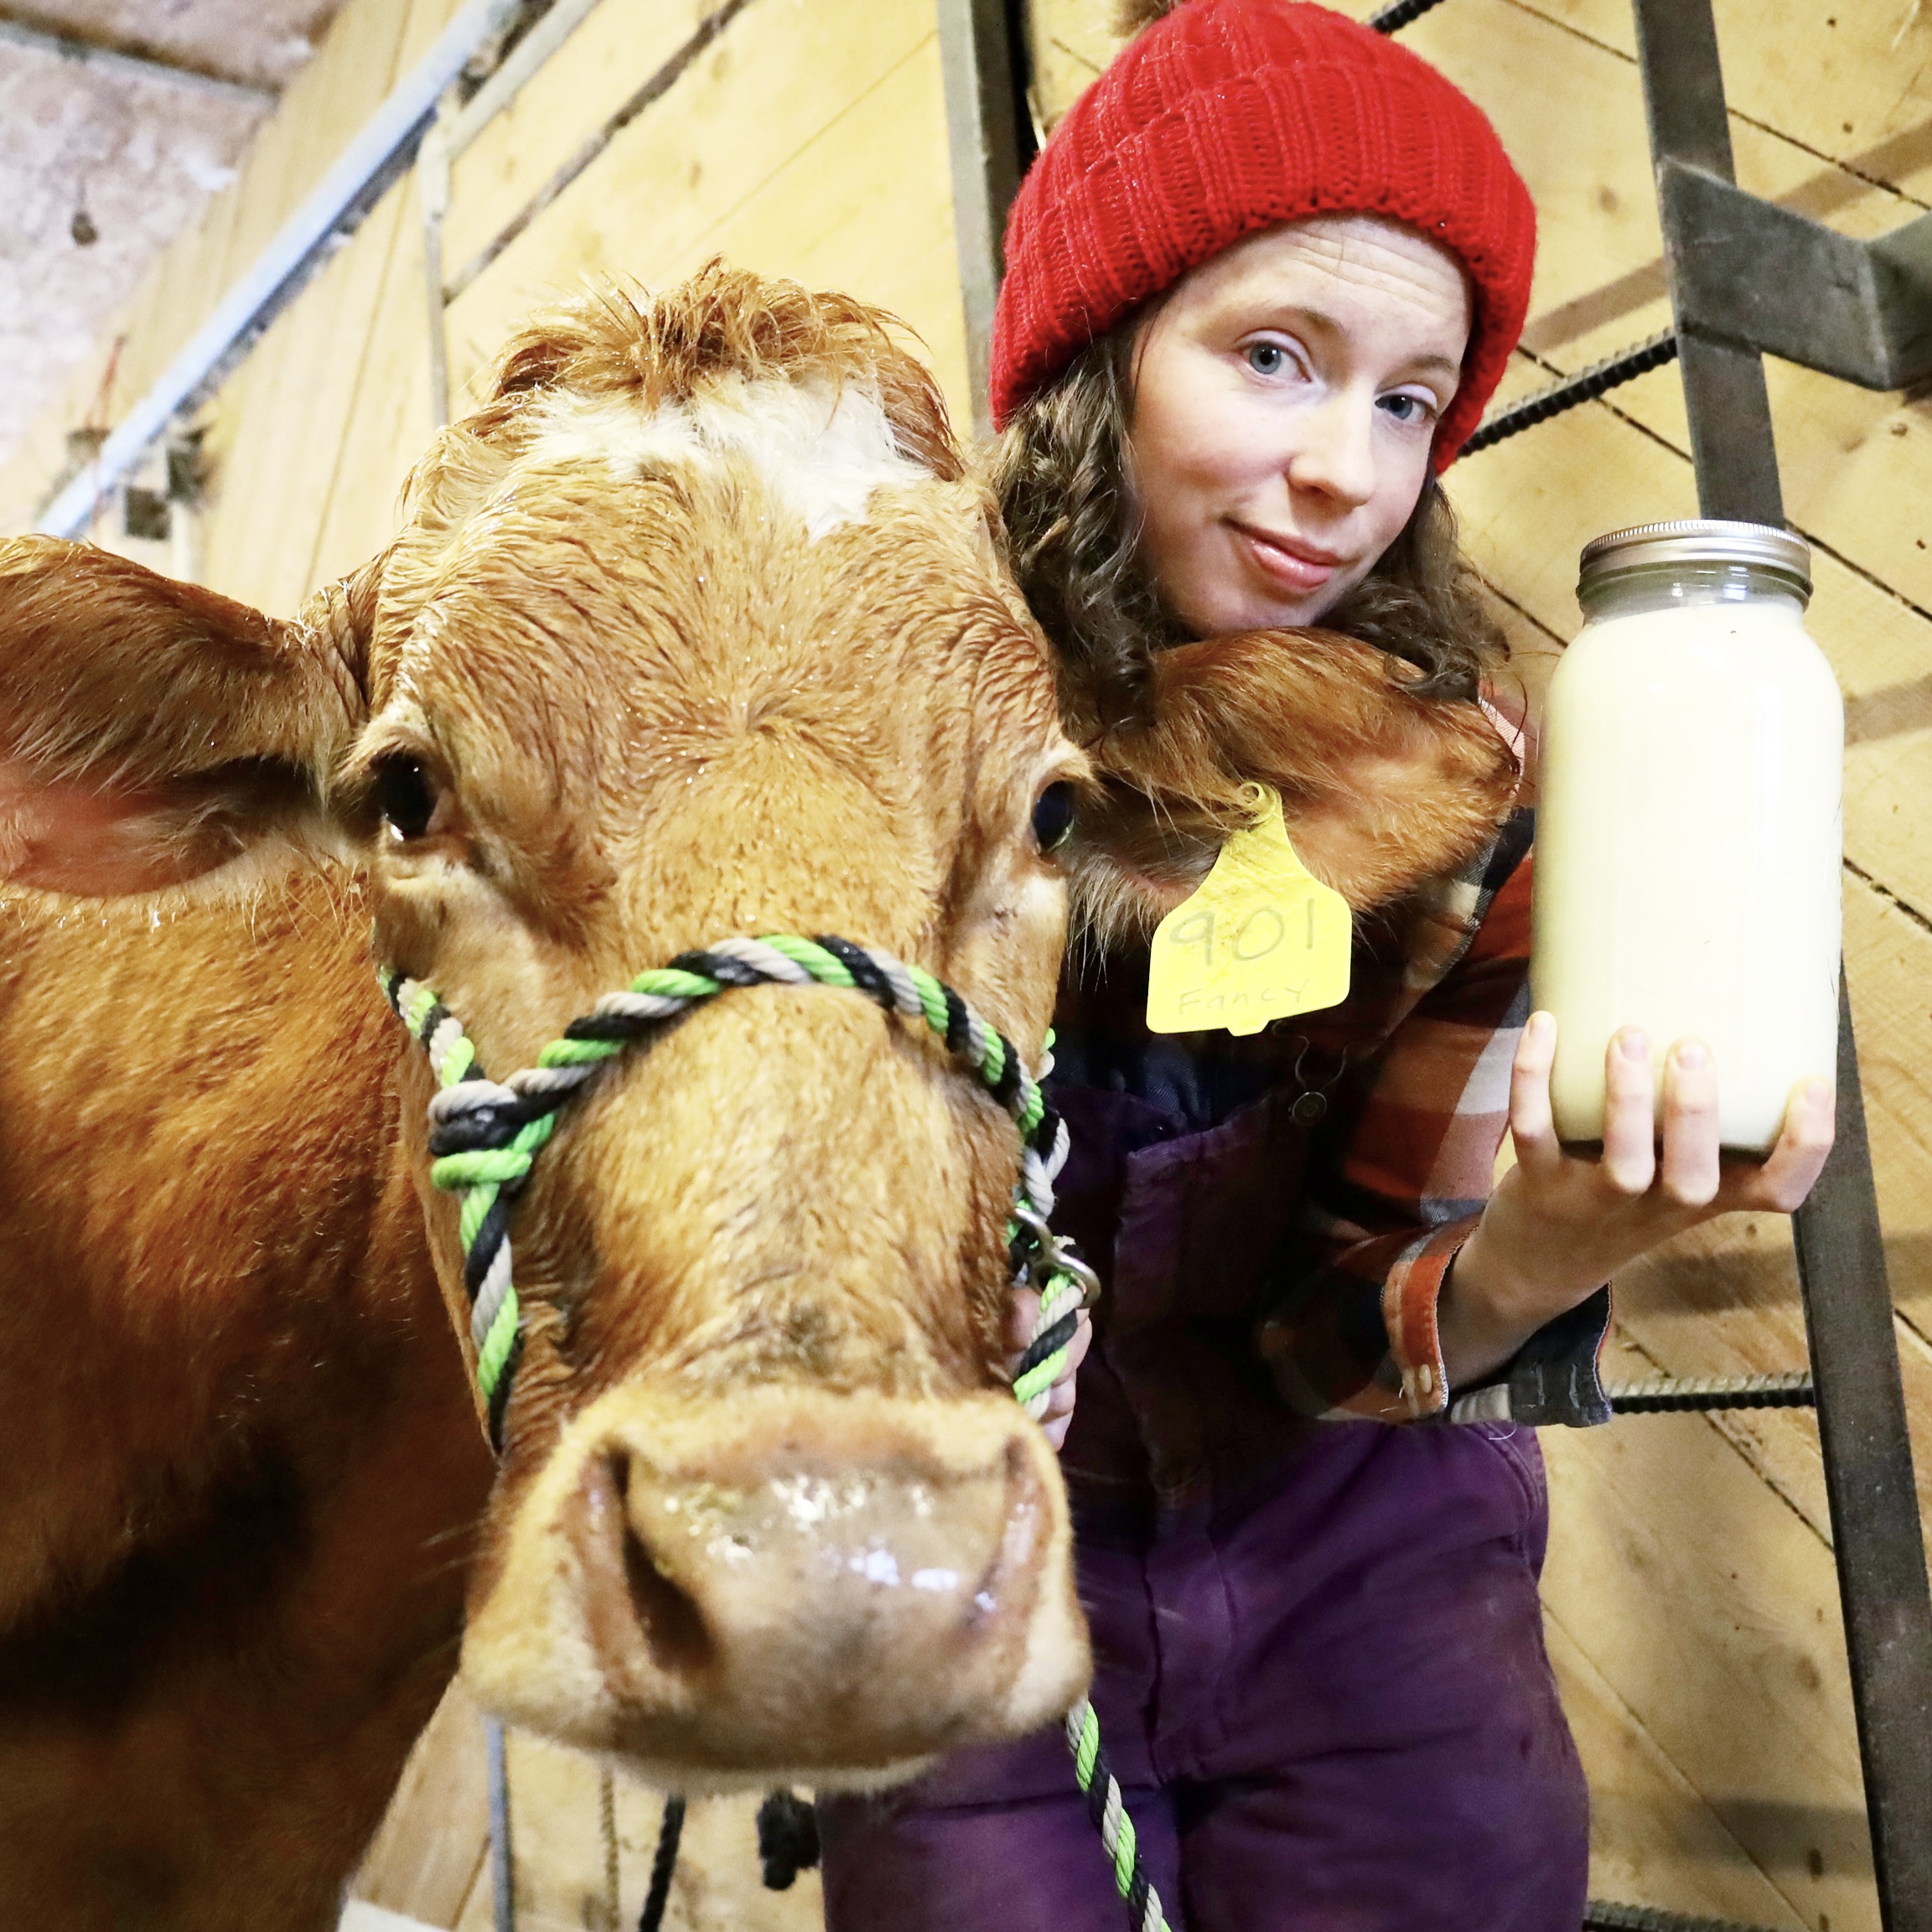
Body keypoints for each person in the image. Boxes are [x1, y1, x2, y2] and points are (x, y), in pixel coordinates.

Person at [816, 3, 1837, 1926]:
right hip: (970, 1561)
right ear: (1098, 365)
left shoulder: (1457, 801)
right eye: (1272, 356)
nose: (1341, 472)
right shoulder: (879, 750)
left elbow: (1318, 1334)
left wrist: (1546, 1243)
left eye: (1402, 398)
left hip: (1360, 1577)